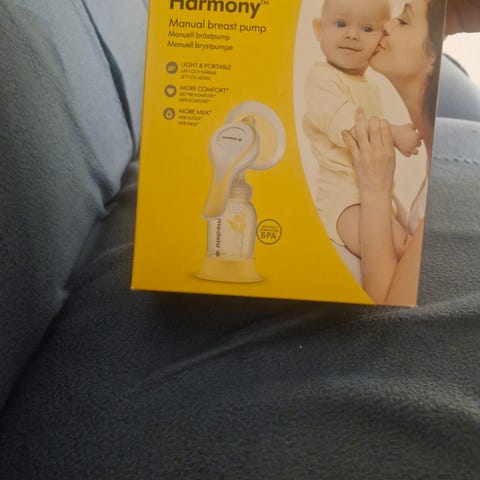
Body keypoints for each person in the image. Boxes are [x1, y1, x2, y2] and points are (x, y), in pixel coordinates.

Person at [342, 0, 447, 305]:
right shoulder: (435, 164)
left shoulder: (446, 183)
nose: (386, 24)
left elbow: (393, 313)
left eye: (403, 21)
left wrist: (375, 188)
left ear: (433, 57)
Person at [303, 0, 422, 261]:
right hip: (344, 200)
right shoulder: (321, 78)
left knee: (414, 232)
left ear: (381, 40)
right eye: (341, 24)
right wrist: (394, 133)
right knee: (398, 247)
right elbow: (346, 126)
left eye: (367, 29)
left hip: (375, 192)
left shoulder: (367, 86)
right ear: (318, 29)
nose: (352, 34)